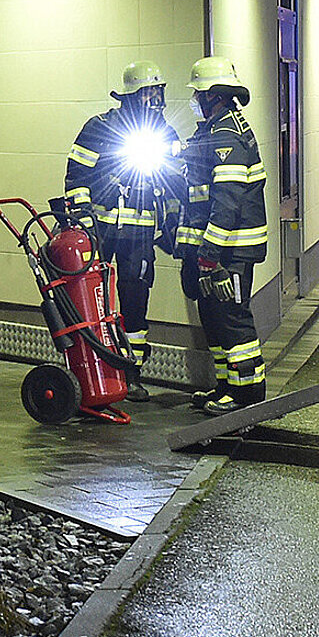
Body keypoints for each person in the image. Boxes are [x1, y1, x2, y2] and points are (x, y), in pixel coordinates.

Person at [64, 60, 183, 401]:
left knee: (135, 301)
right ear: (131, 96)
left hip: (139, 236)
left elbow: (174, 187)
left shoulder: (164, 134)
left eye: (158, 91)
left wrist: (171, 229)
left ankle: (131, 373)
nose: (155, 99)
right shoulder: (99, 128)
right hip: (100, 232)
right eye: (148, 92)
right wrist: (85, 220)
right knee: (93, 300)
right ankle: (94, 370)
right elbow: (76, 176)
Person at [176, 56, 269, 416]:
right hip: (218, 250)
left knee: (232, 321)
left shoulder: (226, 136)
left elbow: (227, 201)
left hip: (230, 251)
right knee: (215, 321)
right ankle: (226, 386)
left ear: (212, 96)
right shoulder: (216, 130)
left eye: (198, 95)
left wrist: (209, 252)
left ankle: (246, 395)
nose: (195, 101)